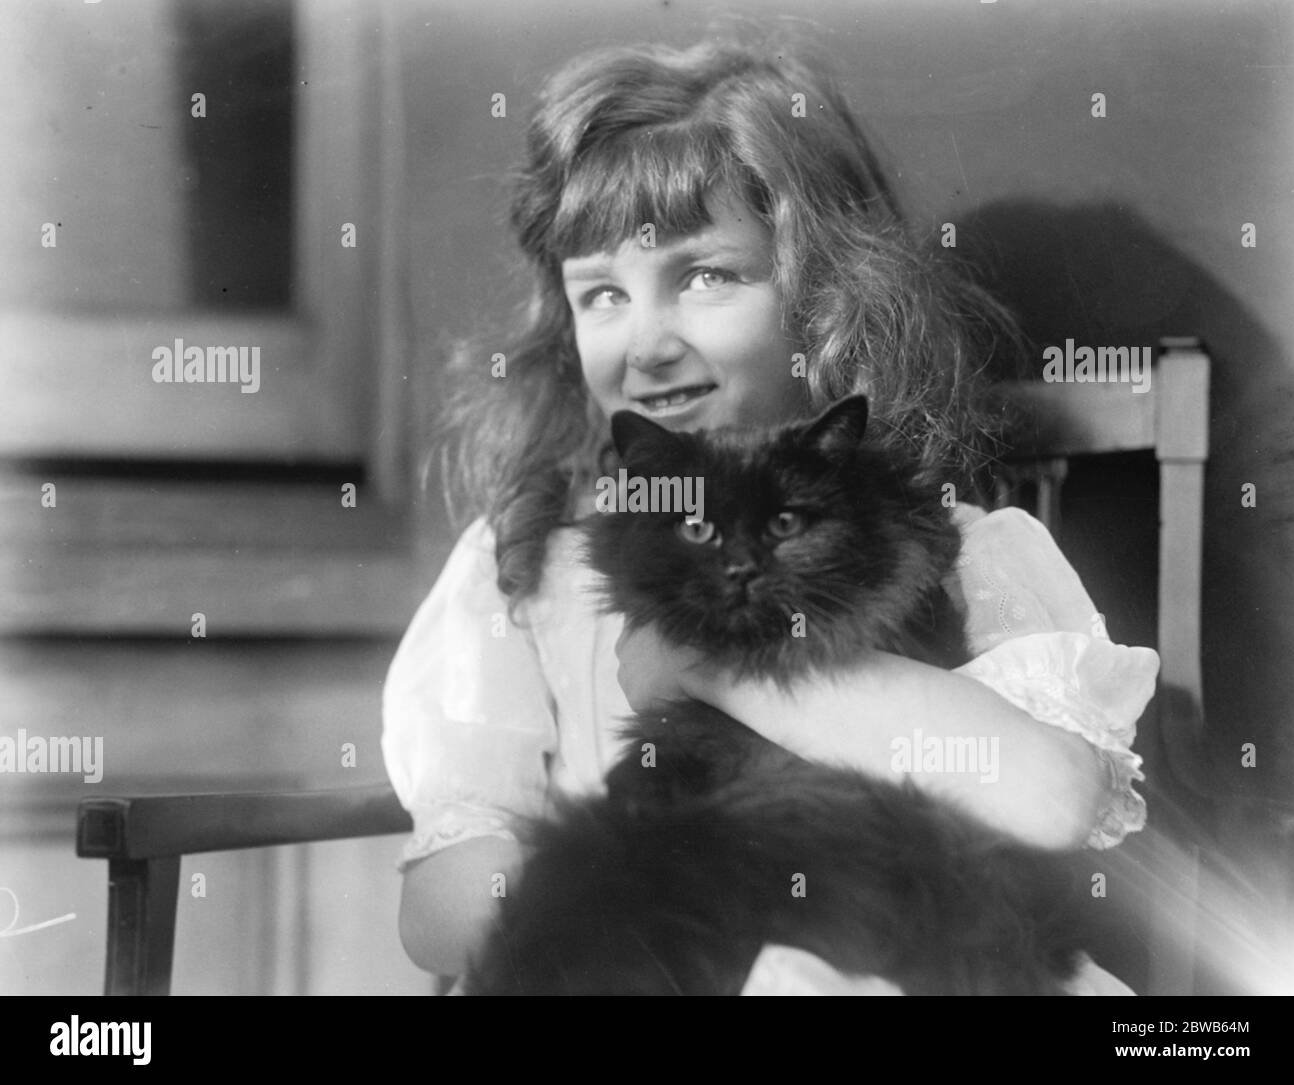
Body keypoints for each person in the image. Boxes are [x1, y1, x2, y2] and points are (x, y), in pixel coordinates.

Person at [381, 35, 1158, 993]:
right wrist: (620, 918)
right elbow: (440, 898)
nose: (650, 342)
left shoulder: (964, 547)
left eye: (708, 277)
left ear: (819, 284)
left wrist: (706, 667)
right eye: (604, 293)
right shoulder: (526, 565)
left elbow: (1051, 798)